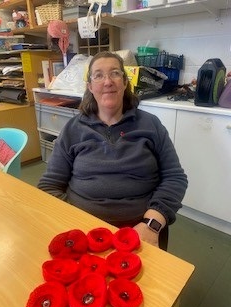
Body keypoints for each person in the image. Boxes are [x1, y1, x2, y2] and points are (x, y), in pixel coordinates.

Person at [38, 51, 188, 251]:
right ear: (90, 86)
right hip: (83, 233)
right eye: (98, 75)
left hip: (140, 231)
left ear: (125, 82)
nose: (107, 81)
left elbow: (175, 177)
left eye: (115, 73)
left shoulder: (151, 125)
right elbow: (49, 185)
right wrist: (76, 223)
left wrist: (152, 225)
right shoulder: (73, 129)